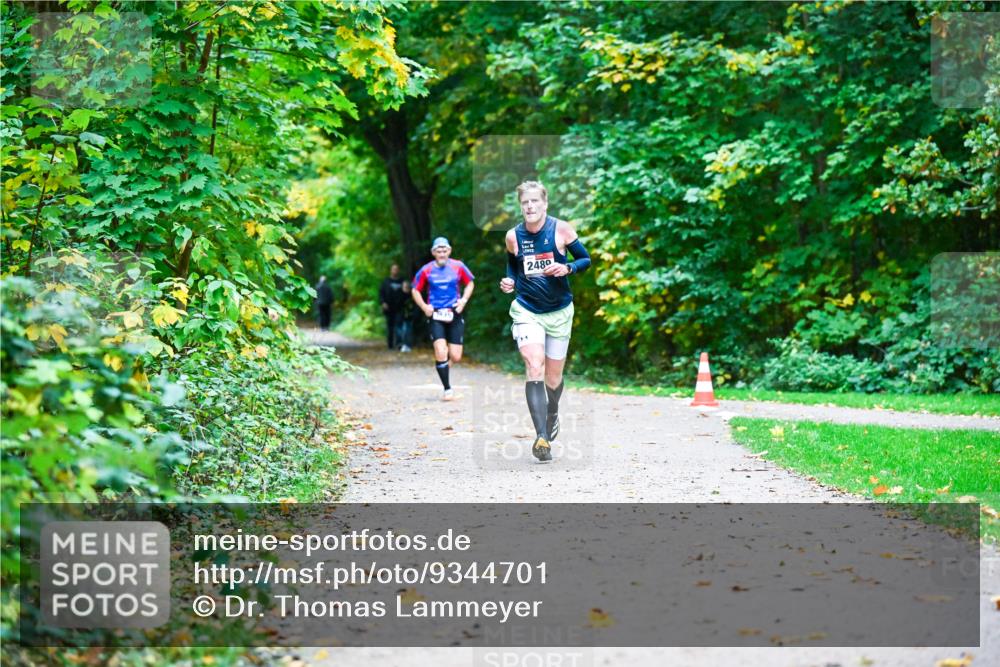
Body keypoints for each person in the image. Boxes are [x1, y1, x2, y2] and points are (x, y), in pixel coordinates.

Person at [499, 181, 591, 462]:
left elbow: (585, 259)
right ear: (521, 206)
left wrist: (567, 267)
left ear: (544, 204)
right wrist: (509, 281)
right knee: (534, 364)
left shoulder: (561, 229)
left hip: (560, 311)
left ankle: (552, 416)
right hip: (527, 310)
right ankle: (541, 436)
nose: (529, 207)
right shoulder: (513, 236)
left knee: (553, 377)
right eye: (525, 203)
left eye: (534, 202)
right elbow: (512, 265)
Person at [412, 237, 475, 401]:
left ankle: (443, 367)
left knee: (455, 356)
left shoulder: (458, 266)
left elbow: (470, 283)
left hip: (454, 312)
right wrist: (425, 307)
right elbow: (415, 290)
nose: (441, 254)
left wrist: (464, 301)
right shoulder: (426, 270)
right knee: (441, 351)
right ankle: (447, 389)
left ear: (449, 251)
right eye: (438, 251)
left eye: (444, 251)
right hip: (436, 314)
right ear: (433, 253)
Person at [379, 264, 406, 350]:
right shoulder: (386, 281)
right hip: (389, 308)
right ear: (391, 270)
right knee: (390, 327)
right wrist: (383, 303)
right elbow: (381, 293)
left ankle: (399, 344)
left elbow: (407, 292)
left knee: (399, 326)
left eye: (396, 269)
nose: (395, 271)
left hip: (400, 308)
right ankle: (390, 345)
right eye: (393, 269)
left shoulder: (402, 281)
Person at [396, 279, 415, 353]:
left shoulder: (412, 295)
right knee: (400, 331)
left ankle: (407, 345)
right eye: (405, 287)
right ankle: (400, 345)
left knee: (408, 331)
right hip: (400, 316)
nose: (406, 288)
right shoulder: (399, 294)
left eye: (407, 287)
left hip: (409, 317)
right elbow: (396, 305)